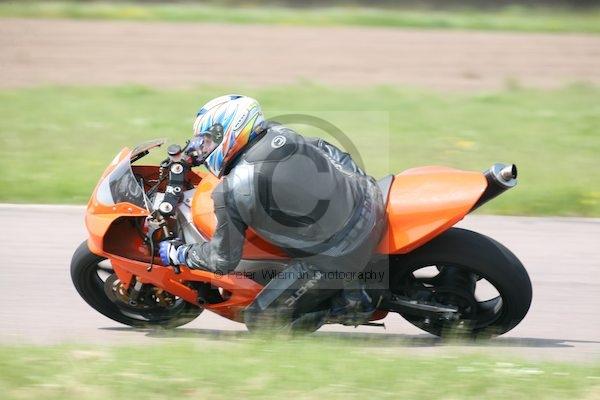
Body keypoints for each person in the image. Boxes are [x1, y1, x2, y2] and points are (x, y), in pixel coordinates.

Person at [159, 94, 385, 327]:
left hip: (342, 252)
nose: (203, 148)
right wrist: (190, 155)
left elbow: (222, 260)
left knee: (259, 322)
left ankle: (349, 302)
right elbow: (322, 147)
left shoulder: (231, 191)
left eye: (208, 140)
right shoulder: (278, 133)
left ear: (231, 130)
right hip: (369, 197)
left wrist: (180, 253)